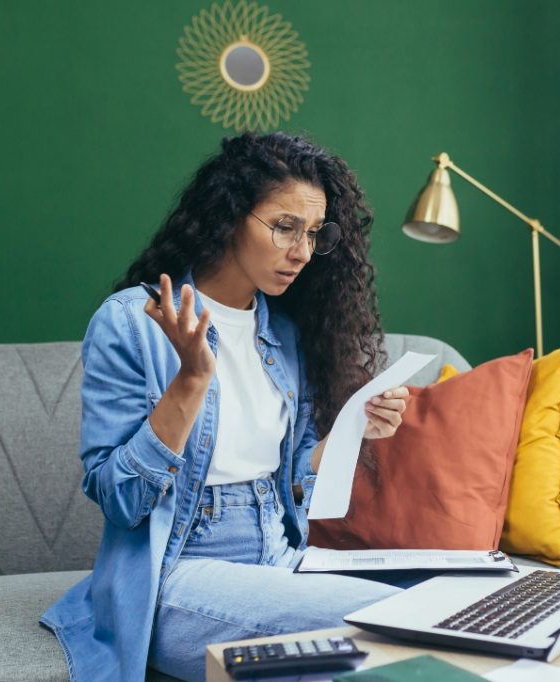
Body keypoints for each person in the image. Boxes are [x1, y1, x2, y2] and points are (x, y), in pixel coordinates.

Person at [41, 132, 411, 681]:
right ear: (229, 216)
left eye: (314, 234)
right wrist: (191, 379)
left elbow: (292, 486)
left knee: (452, 599)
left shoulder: (283, 335)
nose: (303, 252)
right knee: (393, 622)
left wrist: (352, 432)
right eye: (285, 227)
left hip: (279, 558)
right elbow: (120, 499)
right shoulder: (131, 323)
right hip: (178, 573)